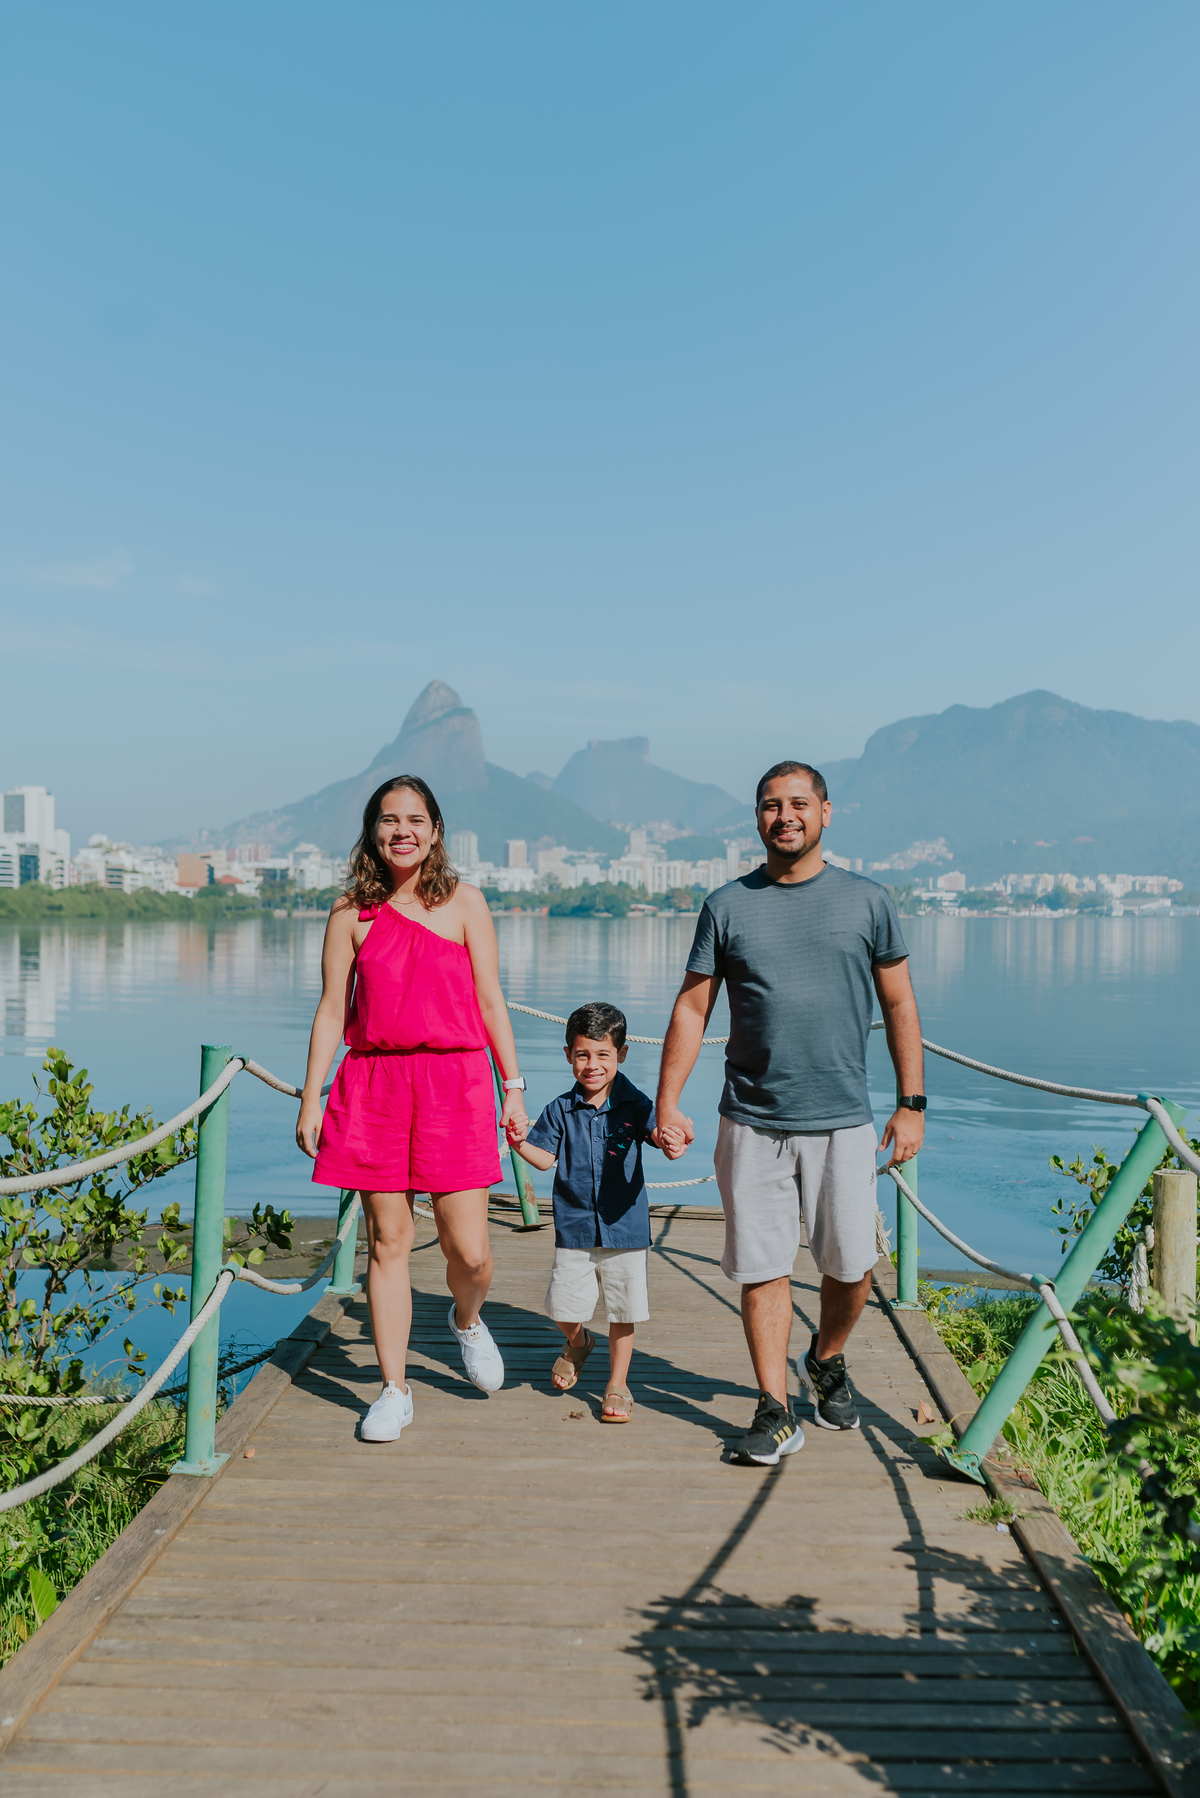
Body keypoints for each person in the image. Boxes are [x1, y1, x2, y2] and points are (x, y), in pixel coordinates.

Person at [655, 760, 925, 1466]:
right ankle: (774, 1408)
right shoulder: (728, 905)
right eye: (771, 806)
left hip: (842, 1119)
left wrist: (911, 1103)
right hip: (750, 1117)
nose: (785, 816)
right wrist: (668, 1101)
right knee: (763, 1266)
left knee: (852, 1264)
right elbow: (692, 1004)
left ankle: (826, 1356)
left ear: (826, 813)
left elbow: (899, 1002)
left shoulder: (869, 901)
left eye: (799, 804)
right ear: (757, 819)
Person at [296, 775, 528, 1443]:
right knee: (388, 1244)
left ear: (435, 831)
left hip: (455, 1083)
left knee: (472, 1249)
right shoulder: (350, 913)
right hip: (374, 1084)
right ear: (372, 830)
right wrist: (312, 1095)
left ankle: (465, 1318)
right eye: (389, 819)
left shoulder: (464, 903)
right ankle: (394, 1389)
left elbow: (490, 1000)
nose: (403, 830)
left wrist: (512, 1086)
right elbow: (331, 1011)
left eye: (416, 819)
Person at [508, 1002, 681, 1423]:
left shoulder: (634, 1102)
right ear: (568, 1055)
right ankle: (579, 1341)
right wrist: (518, 1143)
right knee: (563, 1307)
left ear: (621, 1055)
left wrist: (669, 1136)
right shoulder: (559, 1109)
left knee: (624, 1311)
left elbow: (655, 1131)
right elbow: (545, 1159)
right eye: (583, 1055)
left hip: (626, 1228)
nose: (592, 1065)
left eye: (603, 1055)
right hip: (575, 1225)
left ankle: (618, 1384)